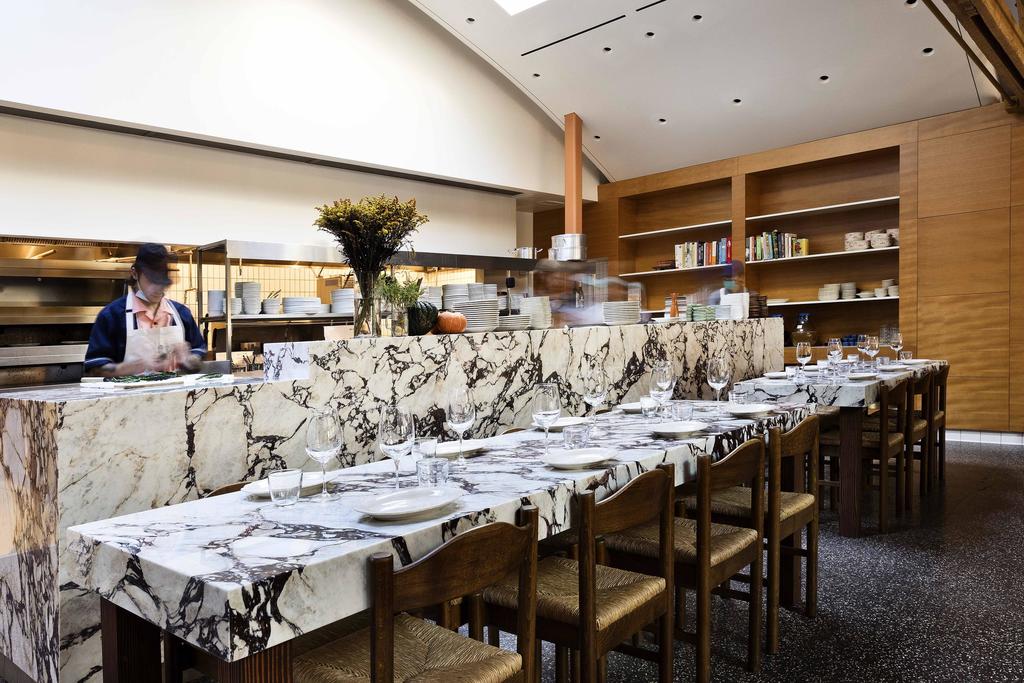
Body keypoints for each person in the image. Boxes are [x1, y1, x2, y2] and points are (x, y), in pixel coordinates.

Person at [84, 243, 206, 377]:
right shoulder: (111, 316)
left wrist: (188, 361)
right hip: (128, 391)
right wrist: (130, 367)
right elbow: (94, 369)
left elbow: (199, 357)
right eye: (151, 279)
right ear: (135, 273)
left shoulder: (182, 314)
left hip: (176, 391)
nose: (158, 287)